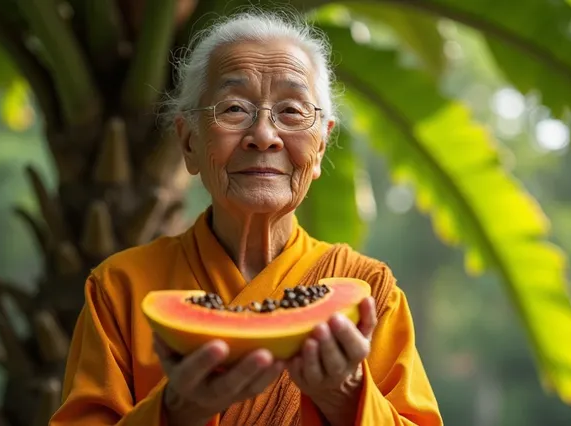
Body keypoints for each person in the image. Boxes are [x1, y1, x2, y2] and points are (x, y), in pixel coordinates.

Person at [49, 9, 443, 426]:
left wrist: (346, 395)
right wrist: (177, 412)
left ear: (321, 147)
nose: (264, 135)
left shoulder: (370, 293)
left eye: (291, 111)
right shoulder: (120, 289)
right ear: (188, 143)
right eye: (234, 108)